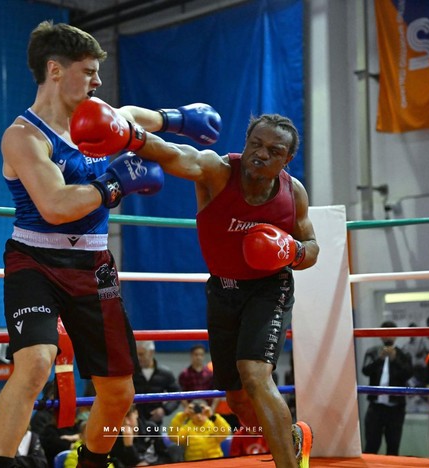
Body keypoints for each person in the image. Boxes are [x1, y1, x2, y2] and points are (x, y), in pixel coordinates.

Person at [0, 20, 220, 468]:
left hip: (93, 262)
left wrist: (181, 119)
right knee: (36, 363)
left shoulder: (99, 117)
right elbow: (55, 205)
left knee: (118, 391)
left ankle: (90, 463)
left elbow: (135, 115)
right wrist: (115, 184)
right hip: (34, 260)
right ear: (55, 71)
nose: (97, 81)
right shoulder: (23, 137)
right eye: (89, 71)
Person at [69, 104, 318, 468]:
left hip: (270, 287)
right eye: (256, 143)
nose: (261, 154)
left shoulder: (292, 192)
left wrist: (292, 251)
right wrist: (127, 135)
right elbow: (172, 154)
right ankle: (292, 436)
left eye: (274, 150)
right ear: (246, 141)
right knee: (239, 404)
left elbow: (312, 247)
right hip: (223, 291)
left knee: (254, 373)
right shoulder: (217, 171)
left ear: (288, 158)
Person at [360, 320, 413, 455]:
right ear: (380, 335)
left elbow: (408, 373)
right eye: (385, 332)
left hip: (396, 408)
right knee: (371, 446)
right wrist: (379, 359)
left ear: (396, 335)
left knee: (393, 448)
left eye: (392, 333)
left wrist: (395, 359)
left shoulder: (403, 354)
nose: (388, 336)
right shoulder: (372, 352)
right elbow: (365, 371)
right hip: (375, 408)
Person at [132, 341, 181, 426]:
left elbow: (177, 395)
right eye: (136, 355)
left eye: (141, 354)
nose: (138, 358)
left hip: (155, 422)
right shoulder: (130, 374)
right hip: (133, 421)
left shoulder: (165, 374)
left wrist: (164, 410)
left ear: (151, 352)